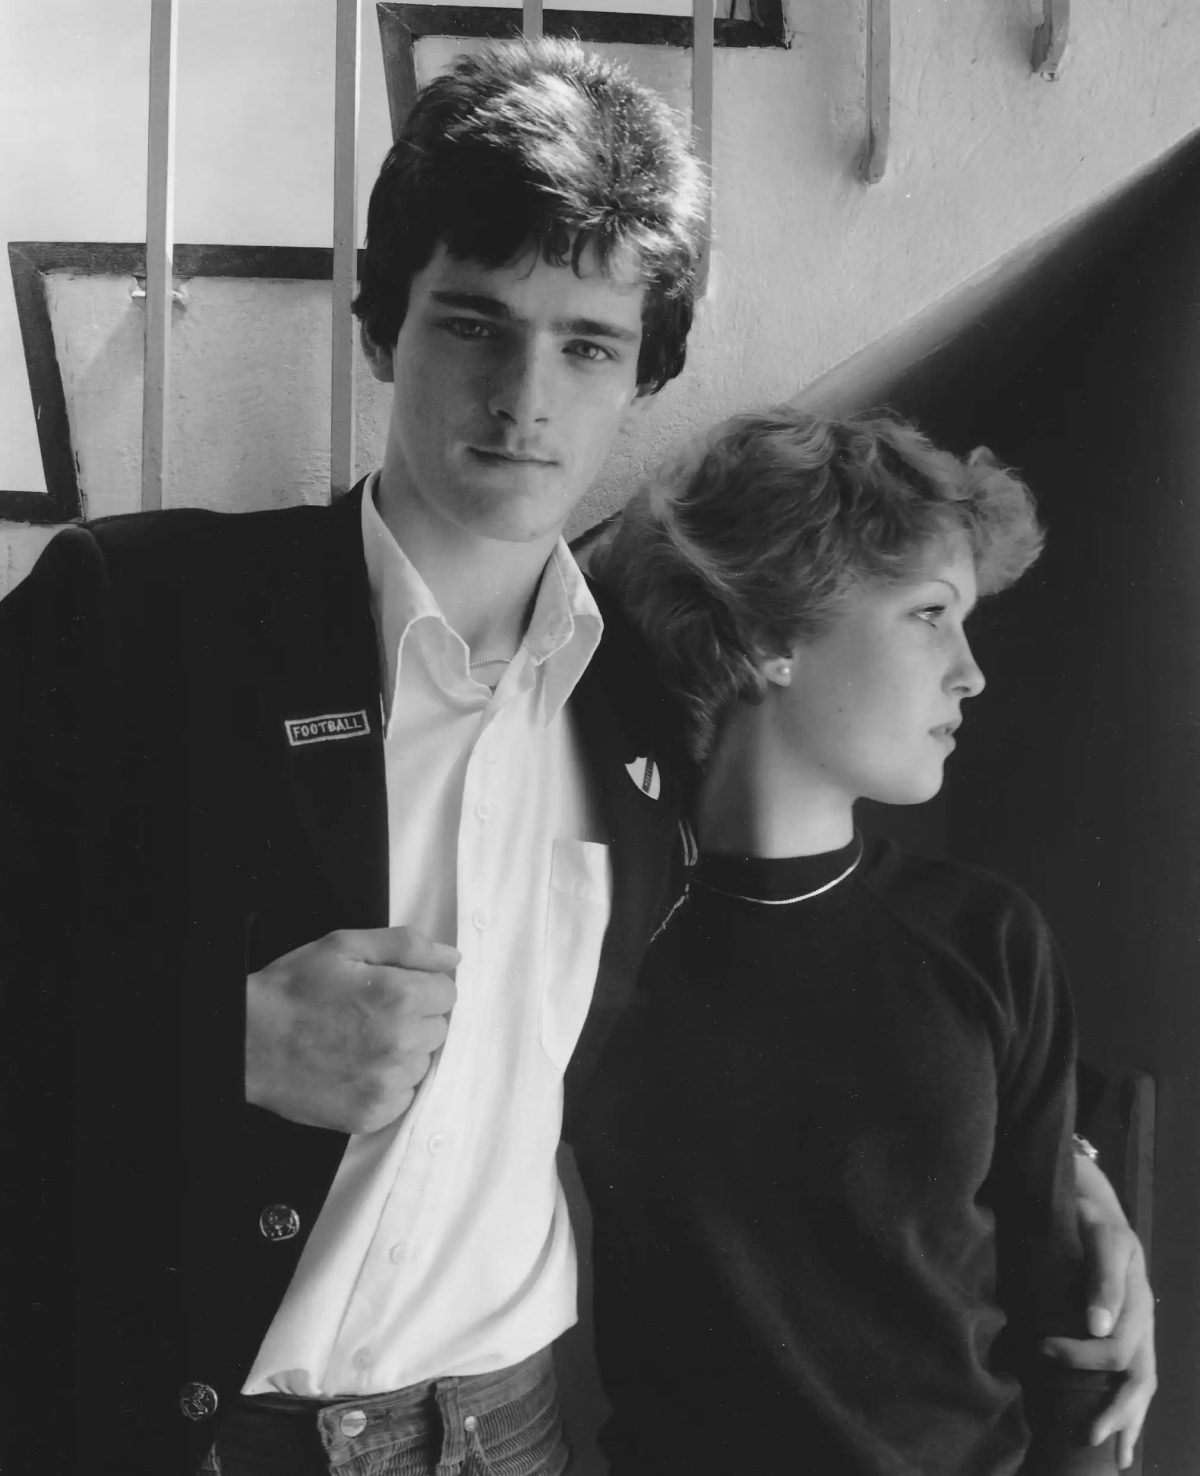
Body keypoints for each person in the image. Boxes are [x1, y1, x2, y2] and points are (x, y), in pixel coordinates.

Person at [0, 43, 1149, 1476]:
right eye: (474, 325)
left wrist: (1071, 1200)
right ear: (382, 332)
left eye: (589, 344)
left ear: (649, 372)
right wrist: (210, 1045)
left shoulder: (659, 704)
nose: (526, 397)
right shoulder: (135, 615)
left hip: (513, 1434)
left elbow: (827, 997)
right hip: (193, 1435)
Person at [580, 408, 1155, 1474]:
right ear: (767, 636)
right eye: (931, 615)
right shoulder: (596, 935)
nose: (972, 672)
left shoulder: (986, 937)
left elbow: (1072, 1321)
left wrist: (1079, 1169)